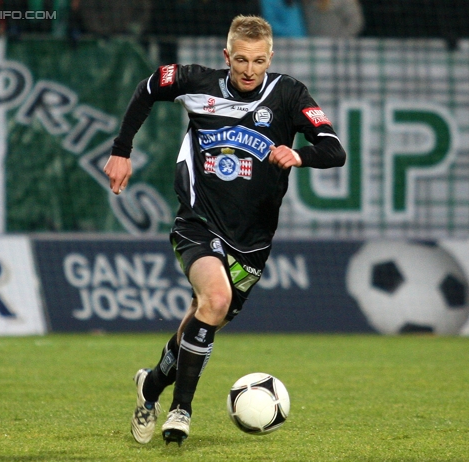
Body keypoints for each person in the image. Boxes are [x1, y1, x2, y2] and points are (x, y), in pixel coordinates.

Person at [103, 14, 346, 446]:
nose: (249, 70)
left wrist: (300, 155)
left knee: (205, 317)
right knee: (215, 298)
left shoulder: (289, 94)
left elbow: (334, 149)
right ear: (226, 57)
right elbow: (148, 88)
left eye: (257, 60)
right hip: (197, 222)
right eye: (240, 60)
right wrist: (122, 150)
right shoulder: (197, 84)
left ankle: (151, 387)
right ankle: (181, 411)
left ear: (271, 56)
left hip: (252, 243)